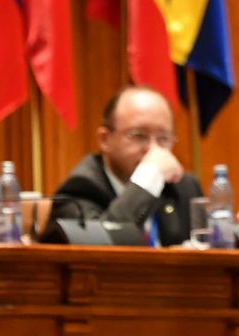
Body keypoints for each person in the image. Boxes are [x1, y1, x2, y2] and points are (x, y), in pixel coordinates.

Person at [50, 86, 201, 246]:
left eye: (163, 138)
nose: (154, 151)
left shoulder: (184, 187)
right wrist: (148, 177)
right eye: (138, 135)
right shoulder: (80, 190)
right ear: (104, 139)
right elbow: (102, 249)